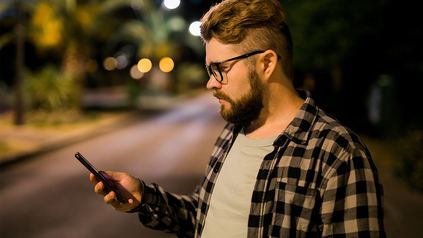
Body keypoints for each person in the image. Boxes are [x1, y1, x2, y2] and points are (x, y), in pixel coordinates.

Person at [90, 0, 386, 237]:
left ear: (267, 63)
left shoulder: (338, 155)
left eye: (220, 68)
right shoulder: (234, 129)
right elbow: (204, 216)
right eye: (209, 70)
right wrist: (144, 196)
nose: (211, 83)